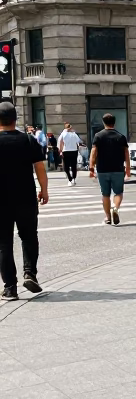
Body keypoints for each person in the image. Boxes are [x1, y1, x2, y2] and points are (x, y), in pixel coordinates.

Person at [0, 101, 47, 300]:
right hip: (26, 197)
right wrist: (44, 190)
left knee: (3, 243)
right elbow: (40, 168)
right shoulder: (28, 140)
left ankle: (10, 288)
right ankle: (30, 273)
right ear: (15, 119)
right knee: (28, 237)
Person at [89, 113, 130, 225]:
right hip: (118, 169)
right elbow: (126, 153)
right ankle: (115, 208)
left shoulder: (98, 136)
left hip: (102, 169)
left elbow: (94, 152)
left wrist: (91, 167)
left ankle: (107, 217)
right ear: (114, 123)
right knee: (118, 193)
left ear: (103, 123)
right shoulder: (121, 136)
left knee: (105, 194)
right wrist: (128, 169)